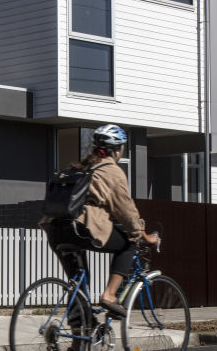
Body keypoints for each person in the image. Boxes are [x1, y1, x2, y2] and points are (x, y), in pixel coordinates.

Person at [40, 123, 159, 318]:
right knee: (129, 243)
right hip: (80, 227)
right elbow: (126, 210)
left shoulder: (83, 166)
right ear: (117, 150)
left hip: (55, 228)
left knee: (79, 284)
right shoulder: (112, 171)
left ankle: (79, 339)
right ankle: (110, 295)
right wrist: (143, 235)